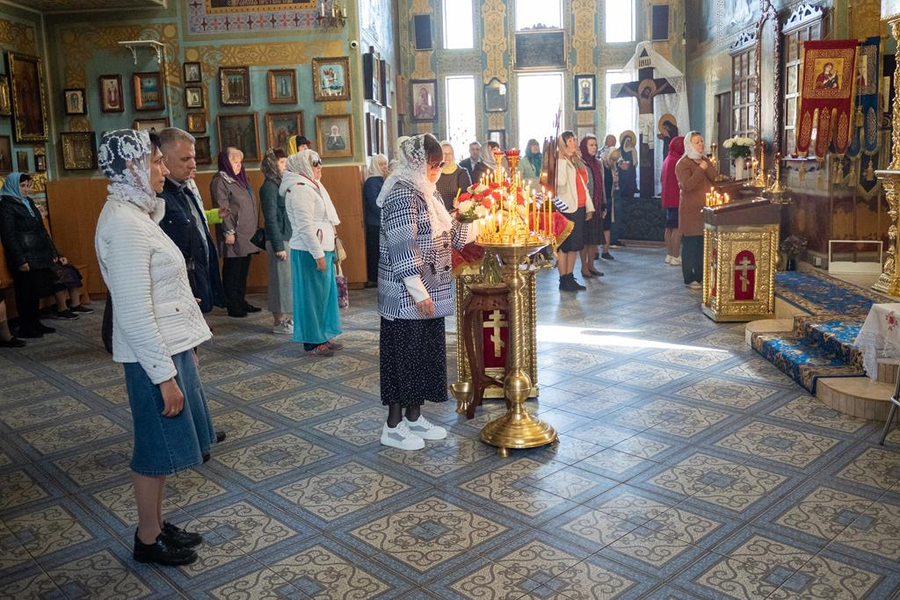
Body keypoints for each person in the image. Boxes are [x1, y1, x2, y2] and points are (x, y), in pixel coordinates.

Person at [95, 129, 214, 567]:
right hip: (151, 356)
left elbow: (157, 285)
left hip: (166, 346)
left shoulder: (137, 213)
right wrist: (164, 377)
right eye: (156, 162)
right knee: (154, 449)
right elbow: (133, 311)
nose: (163, 169)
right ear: (132, 167)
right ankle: (147, 538)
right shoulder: (124, 224)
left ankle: (157, 524)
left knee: (164, 448)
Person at [377, 134, 475, 450]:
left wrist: (476, 219)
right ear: (417, 163)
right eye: (433, 165)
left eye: (439, 165)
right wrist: (419, 293)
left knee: (422, 357)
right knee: (402, 358)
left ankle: (414, 417)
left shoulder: (426, 193)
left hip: (428, 291)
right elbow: (403, 247)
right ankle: (393, 425)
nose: (437, 171)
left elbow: (450, 235)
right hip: (407, 297)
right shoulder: (401, 195)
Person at [157, 128, 225, 314]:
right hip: (178, 287)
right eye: (185, 159)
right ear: (164, 159)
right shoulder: (159, 198)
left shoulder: (185, 190)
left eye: (193, 158)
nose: (193, 165)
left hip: (196, 278)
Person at [283, 149, 343, 357]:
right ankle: (312, 341)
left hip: (321, 248)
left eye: (320, 162)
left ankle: (323, 336)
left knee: (323, 296)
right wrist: (318, 255)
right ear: (304, 166)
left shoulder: (313, 185)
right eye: (315, 163)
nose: (319, 167)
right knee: (310, 298)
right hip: (309, 251)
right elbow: (305, 227)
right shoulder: (300, 189)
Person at [0, 173, 71, 338]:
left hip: (38, 254)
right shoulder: (6, 206)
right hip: (23, 256)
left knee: (35, 291)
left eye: (27, 185)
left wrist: (53, 252)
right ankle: (26, 326)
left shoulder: (29, 202)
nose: (26, 189)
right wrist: (20, 259)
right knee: (25, 292)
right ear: (12, 186)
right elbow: (9, 236)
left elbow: (41, 230)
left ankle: (35, 322)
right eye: (22, 186)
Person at [211, 147, 260, 318]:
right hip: (234, 233)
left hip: (247, 233)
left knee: (243, 269)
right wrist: (228, 231)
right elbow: (222, 206)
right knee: (233, 270)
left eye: (240, 162)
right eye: (234, 161)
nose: (238, 165)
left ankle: (241, 300)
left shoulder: (240, 180)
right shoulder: (220, 181)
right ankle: (232, 304)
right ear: (225, 162)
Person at [676, 131, 718, 290]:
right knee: (691, 246)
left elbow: (714, 178)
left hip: (706, 210)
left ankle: (701, 276)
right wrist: (701, 168)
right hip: (691, 212)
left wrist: (706, 165)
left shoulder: (705, 160)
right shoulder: (683, 164)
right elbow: (687, 186)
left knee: (703, 245)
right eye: (697, 142)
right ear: (689, 144)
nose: (701, 144)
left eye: (701, 141)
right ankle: (689, 278)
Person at [555, 131, 595, 292]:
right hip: (566, 209)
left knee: (575, 246)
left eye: (574, 140)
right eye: (569, 141)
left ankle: (570, 276)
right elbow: (561, 183)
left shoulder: (576, 161)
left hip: (579, 206)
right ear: (563, 145)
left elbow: (584, 187)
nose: (573, 143)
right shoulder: (559, 163)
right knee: (564, 246)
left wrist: (589, 207)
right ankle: (563, 279)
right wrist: (561, 159)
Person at [259, 148, 293, 335]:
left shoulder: (281, 183)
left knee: (287, 282)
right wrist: (279, 245)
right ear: (272, 164)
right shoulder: (269, 187)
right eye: (281, 162)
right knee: (279, 283)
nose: (285, 165)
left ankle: (288, 319)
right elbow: (270, 218)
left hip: (288, 237)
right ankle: (279, 321)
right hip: (278, 240)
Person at [579, 134, 605, 279]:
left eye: (595, 145)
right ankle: (584, 267)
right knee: (585, 238)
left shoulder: (598, 163)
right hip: (586, 205)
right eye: (591, 145)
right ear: (584, 146)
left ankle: (591, 265)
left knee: (593, 238)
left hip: (597, 203)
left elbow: (601, 185)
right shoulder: (581, 163)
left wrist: (604, 203)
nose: (594, 147)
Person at [363, 154, 389, 288]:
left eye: (385, 164)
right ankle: (374, 278)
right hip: (375, 222)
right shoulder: (372, 182)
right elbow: (374, 204)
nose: (385, 167)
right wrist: (386, 216)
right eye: (381, 164)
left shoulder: (382, 180)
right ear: (375, 166)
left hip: (381, 221)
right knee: (375, 251)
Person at [661, 135, 684, 267]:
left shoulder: (668, 158)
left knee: (669, 227)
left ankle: (669, 254)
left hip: (667, 198)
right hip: (676, 198)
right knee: (677, 228)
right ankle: (676, 255)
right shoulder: (677, 161)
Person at [614, 131, 638, 246]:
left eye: (630, 140)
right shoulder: (619, 150)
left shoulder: (633, 150)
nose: (628, 142)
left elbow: (635, 162)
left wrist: (631, 164)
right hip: (621, 175)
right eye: (626, 140)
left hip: (630, 172)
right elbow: (617, 161)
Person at [435, 141, 472, 211]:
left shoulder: (461, 172)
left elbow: (468, 197)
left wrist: (460, 203)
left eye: (450, 154)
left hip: (455, 215)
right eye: (444, 154)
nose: (447, 157)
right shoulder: (434, 172)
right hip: (436, 215)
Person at [598, 135, 618, 260]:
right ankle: (594, 251)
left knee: (607, 225)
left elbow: (615, 180)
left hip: (609, 197)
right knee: (596, 225)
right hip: (598, 197)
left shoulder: (612, 166)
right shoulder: (599, 161)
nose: (613, 161)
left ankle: (605, 250)